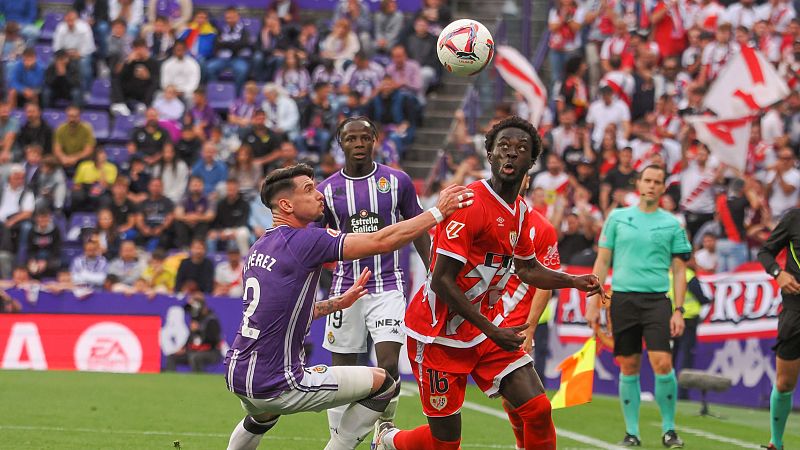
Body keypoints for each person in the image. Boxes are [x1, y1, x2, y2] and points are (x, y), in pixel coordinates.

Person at [375, 116, 602, 450]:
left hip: (483, 331)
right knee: (445, 445)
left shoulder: (521, 212)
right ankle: (390, 440)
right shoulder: (470, 203)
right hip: (438, 335)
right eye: (503, 148)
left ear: (531, 162)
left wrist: (574, 281)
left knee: (538, 409)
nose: (511, 154)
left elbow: (526, 269)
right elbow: (441, 281)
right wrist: (494, 329)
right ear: (491, 155)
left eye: (521, 149)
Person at [223, 163, 473, 450]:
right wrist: (437, 212)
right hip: (277, 381)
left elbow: (281, 311)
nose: (320, 195)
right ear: (286, 204)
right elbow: (381, 240)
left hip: (237, 372)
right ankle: (371, 442)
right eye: (309, 190)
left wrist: (335, 303)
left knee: (262, 416)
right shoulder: (306, 240)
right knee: (384, 385)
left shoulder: (260, 247)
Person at [316, 117, 431, 446]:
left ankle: (383, 428)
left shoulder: (397, 182)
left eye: (365, 138)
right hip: (344, 289)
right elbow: (315, 240)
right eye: (351, 139)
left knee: (389, 363)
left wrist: (433, 270)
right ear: (341, 144)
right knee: (342, 371)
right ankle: (339, 438)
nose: (359, 144)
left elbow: (417, 226)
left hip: (388, 287)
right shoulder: (327, 190)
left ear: (375, 140)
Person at [586, 165, 692, 447]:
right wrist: (594, 303)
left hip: (657, 300)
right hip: (623, 299)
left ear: (663, 187)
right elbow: (602, 262)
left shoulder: (672, 224)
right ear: (639, 183)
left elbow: (680, 271)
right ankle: (632, 433)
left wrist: (679, 310)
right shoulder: (618, 218)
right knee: (629, 365)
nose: (652, 185)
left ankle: (669, 430)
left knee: (663, 363)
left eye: (658, 181)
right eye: (647, 180)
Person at [499, 177, 561, 450]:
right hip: (476, 319)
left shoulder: (543, 229)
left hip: (514, 323)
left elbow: (545, 283)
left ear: (527, 178)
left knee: (524, 400)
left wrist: (530, 328)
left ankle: (522, 445)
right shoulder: (482, 211)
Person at [758, 208, 800, 450]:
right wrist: (778, 273)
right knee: (784, 383)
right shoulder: (794, 218)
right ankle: (777, 442)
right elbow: (765, 252)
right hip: (795, 311)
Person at [165, 293, 223, 372]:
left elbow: (213, 340)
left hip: (211, 352)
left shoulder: (211, 320)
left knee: (194, 357)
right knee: (171, 357)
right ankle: (170, 381)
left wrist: (199, 330)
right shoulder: (196, 319)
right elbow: (191, 337)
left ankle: (199, 380)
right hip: (194, 351)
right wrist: (184, 347)